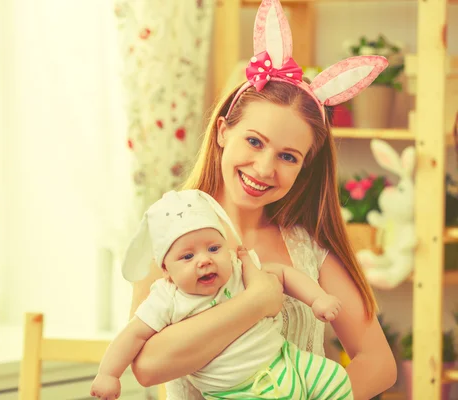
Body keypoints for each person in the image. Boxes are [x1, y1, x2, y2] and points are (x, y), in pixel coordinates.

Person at [126, 0, 397, 399]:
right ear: (222, 132)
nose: (265, 168)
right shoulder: (171, 232)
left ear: (304, 166)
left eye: (288, 156)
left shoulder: (310, 250)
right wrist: (258, 302)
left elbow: (379, 362)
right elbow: (147, 366)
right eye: (254, 141)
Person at [90, 189, 350, 400]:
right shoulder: (166, 299)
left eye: (214, 248)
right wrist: (108, 374)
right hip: (236, 391)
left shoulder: (239, 269)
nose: (204, 260)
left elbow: (282, 274)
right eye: (188, 256)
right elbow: (132, 334)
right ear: (166, 269)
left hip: (286, 360)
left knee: (335, 378)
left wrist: (317, 298)